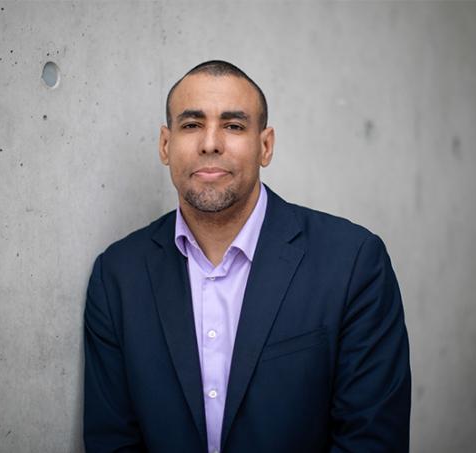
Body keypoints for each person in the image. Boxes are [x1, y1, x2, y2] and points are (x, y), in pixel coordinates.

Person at [84, 60, 411, 453]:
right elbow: (112, 442)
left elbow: (371, 441)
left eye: (234, 125)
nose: (210, 143)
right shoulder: (117, 276)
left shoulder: (353, 263)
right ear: (165, 145)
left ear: (265, 145)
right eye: (191, 125)